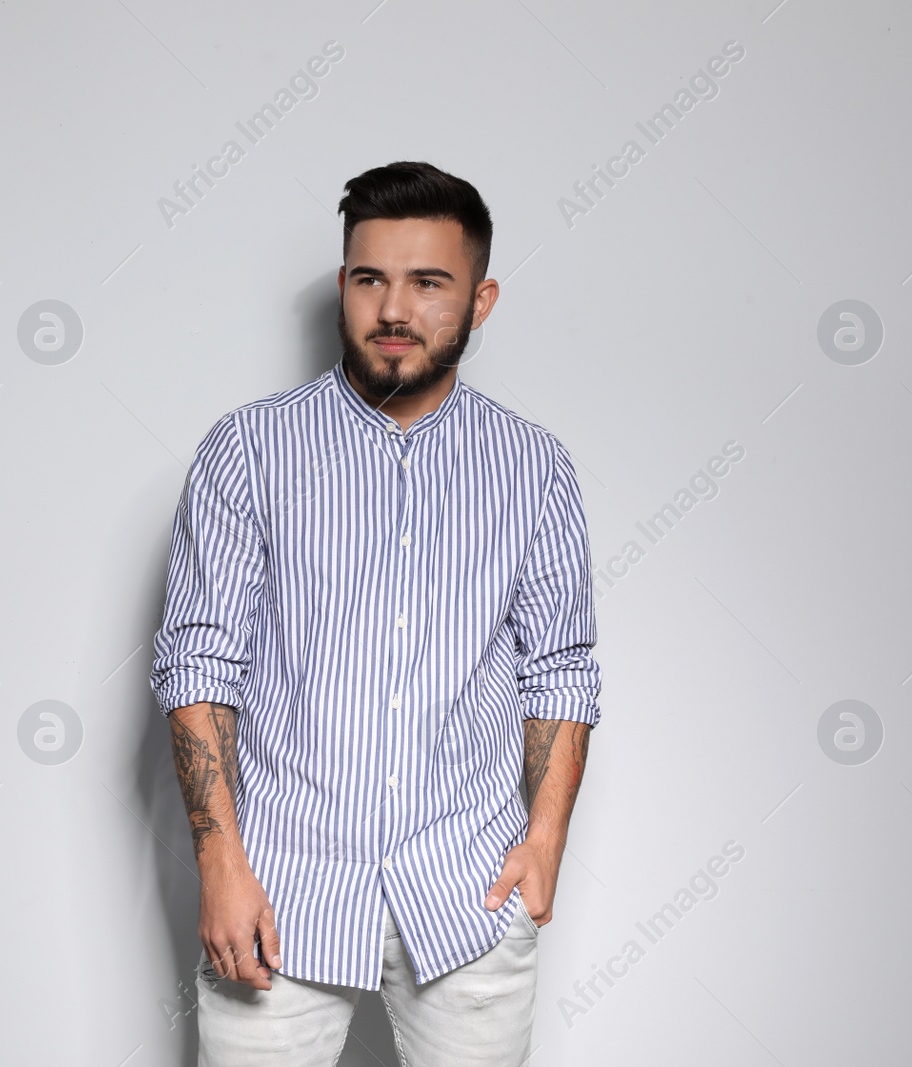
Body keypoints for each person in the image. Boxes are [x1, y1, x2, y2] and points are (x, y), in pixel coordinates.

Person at [150, 160, 601, 1066]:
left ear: (480, 299)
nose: (394, 309)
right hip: (278, 891)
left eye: (429, 282)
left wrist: (544, 840)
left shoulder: (534, 468)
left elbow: (561, 667)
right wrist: (219, 863)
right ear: (347, 286)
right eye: (370, 279)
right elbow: (199, 665)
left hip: (466, 893)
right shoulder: (250, 451)